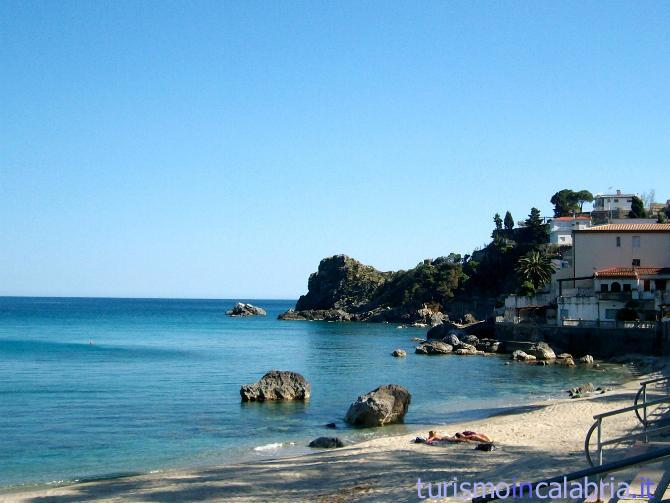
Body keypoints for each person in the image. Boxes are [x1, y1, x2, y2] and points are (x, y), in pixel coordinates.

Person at [426, 430, 492, 444]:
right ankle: (488, 441)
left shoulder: (435, 436)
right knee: (477, 436)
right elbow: (429, 440)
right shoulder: (435, 436)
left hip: (461, 436)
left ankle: (488, 441)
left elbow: (429, 440)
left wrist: (428, 441)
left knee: (478, 436)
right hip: (455, 438)